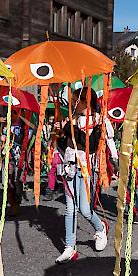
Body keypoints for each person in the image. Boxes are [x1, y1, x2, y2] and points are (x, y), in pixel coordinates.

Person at [55, 87, 108, 263]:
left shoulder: (99, 120)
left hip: (86, 168)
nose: (72, 103)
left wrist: (73, 129)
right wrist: (60, 132)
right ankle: (69, 247)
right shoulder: (73, 120)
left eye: (75, 100)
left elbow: (93, 144)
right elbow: (65, 143)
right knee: (70, 209)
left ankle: (100, 228)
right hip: (70, 166)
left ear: (84, 102)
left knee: (85, 210)